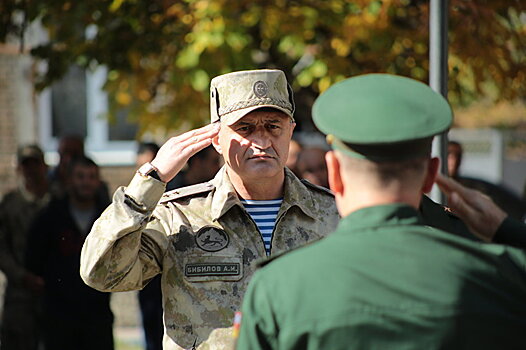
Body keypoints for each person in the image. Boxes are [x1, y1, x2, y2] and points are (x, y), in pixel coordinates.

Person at [237, 74, 526, 349]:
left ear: (334, 172)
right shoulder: (499, 275)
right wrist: (505, 229)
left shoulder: (278, 287)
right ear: (431, 175)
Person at [80, 69, 340, 350]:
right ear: (216, 138)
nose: (262, 142)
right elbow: (103, 273)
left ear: (290, 130)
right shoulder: (180, 215)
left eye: (273, 126)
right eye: (245, 128)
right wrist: (149, 183)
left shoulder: (331, 213)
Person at [26, 156, 114, 350]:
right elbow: (33, 258)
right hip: (58, 314)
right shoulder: (51, 216)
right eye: (80, 176)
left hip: (97, 313)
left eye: (91, 177)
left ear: (98, 181)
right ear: (69, 180)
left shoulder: (108, 217)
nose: (86, 182)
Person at [0, 145, 49, 350]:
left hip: (53, 291)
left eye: (35, 164)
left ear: (44, 166)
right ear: (19, 168)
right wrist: (21, 276)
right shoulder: (10, 205)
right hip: (20, 293)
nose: (31, 170)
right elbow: (2, 248)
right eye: (25, 164)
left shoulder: (56, 200)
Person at [447, 140, 526, 220]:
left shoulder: (473, 187)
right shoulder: (439, 190)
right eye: (449, 154)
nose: (454, 160)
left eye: (458, 155)